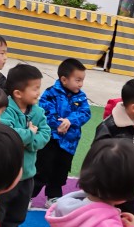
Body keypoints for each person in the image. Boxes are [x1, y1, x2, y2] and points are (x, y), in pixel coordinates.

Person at [0, 64, 51, 227]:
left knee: (18, 214)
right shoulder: (5, 109)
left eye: (39, 87)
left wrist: (29, 141)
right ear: (18, 93)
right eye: (35, 88)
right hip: (6, 175)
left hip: (27, 175)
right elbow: (8, 134)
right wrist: (30, 134)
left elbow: (45, 133)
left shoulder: (37, 111)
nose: (38, 92)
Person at [93, 78, 134, 216]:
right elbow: (97, 155)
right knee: (105, 216)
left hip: (130, 184)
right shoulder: (109, 126)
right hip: (110, 186)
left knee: (128, 216)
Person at [36, 57, 92, 204]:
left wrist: (70, 120)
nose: (81, 84)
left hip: (69, 142)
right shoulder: (50, 93)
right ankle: (30, 193)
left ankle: (53, 196)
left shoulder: (81, 96)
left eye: (82, 80)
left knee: (61, 169)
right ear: (64, 79)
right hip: (51, 139)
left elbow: (86, 113)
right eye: (77, 80)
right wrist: (58, 124)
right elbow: (45, 111)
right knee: (42, 167)